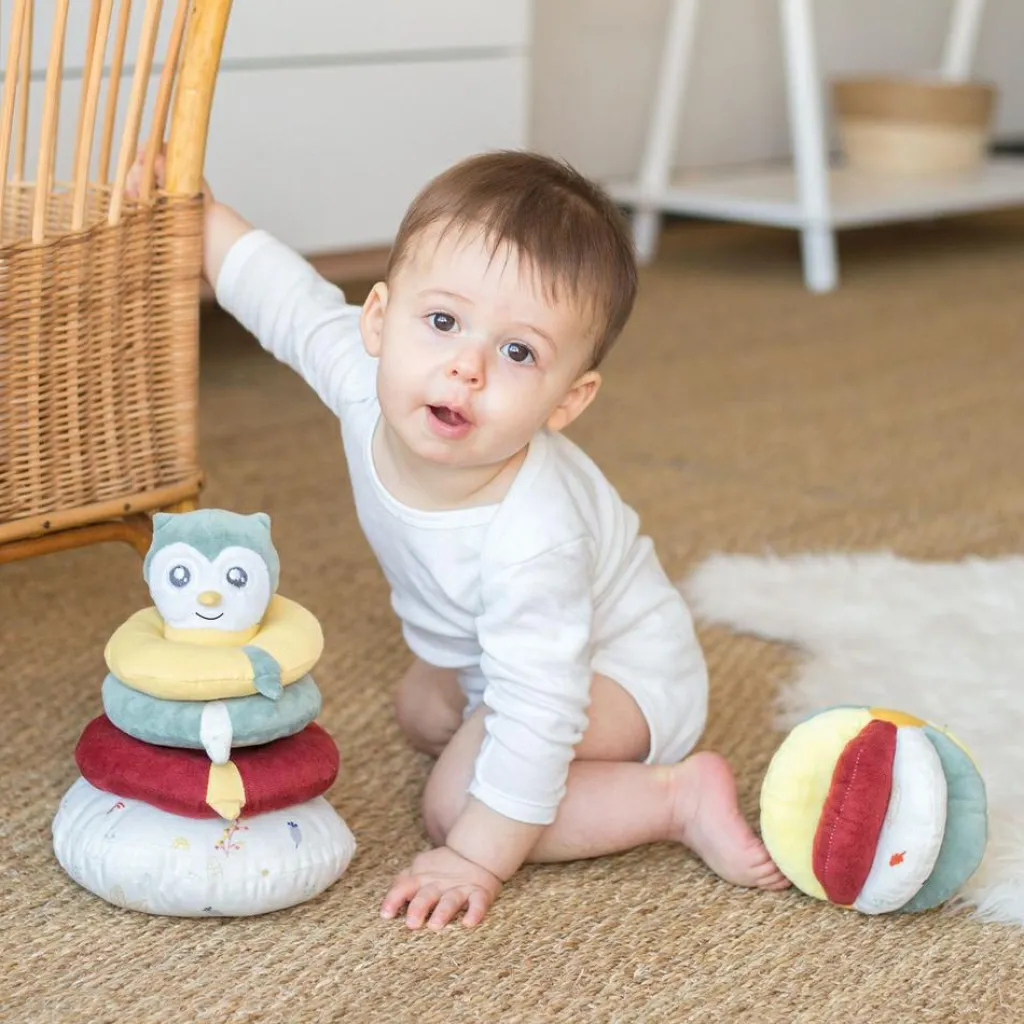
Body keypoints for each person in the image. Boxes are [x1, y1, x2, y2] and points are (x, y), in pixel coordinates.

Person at [130, 149, 788, 931]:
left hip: (625, 674)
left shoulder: (534, 534)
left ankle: (674, 798)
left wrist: (478, 854)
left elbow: (542, 707)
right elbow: (288, 301)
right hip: (494, 645)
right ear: (378, 320)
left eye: (519, 353)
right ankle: (494, 723)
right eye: (443, 322)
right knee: (421, 712)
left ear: (566, 401)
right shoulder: (361, 376)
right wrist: (201, 217)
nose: (466, 367)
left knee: (455, 805)